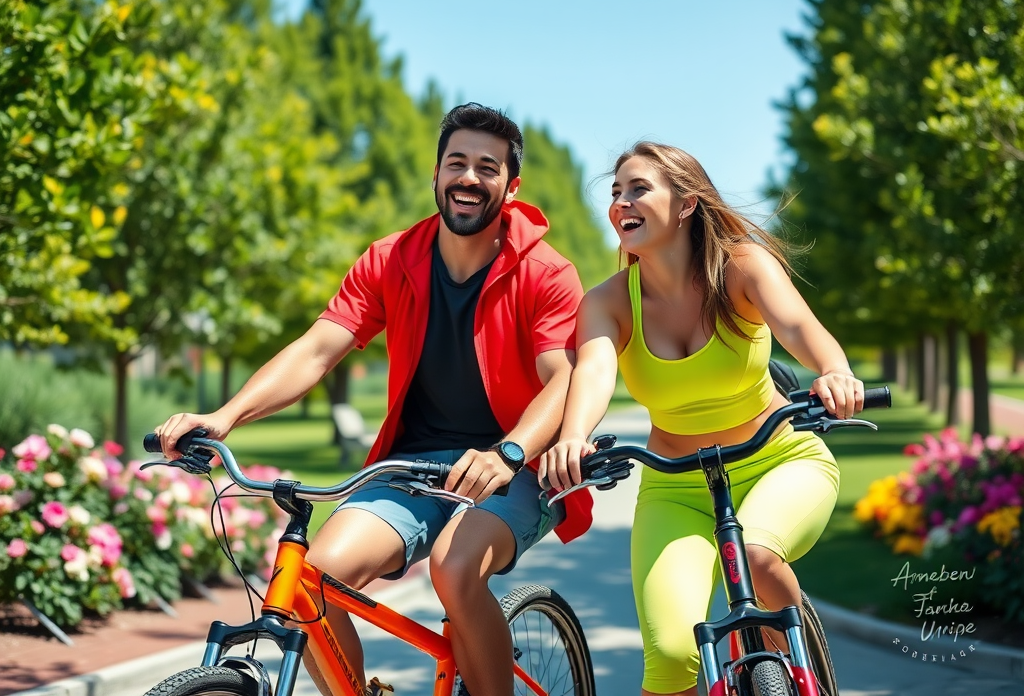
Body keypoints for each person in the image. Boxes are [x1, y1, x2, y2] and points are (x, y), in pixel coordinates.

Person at [153, 103, 593, 696]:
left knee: (455, 570)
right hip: (412, 467)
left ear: (511, 187)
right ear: (435, 176)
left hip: (516, 468)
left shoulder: (545, 272)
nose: (469, 177)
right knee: (316, 580)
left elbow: (560, 378)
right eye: (456, 162)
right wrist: (225, 416)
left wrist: (507, 453)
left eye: (487, 168)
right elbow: (316, 351)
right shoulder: (391, 259)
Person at [537, 142, 862, 696]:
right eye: (616, 193)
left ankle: (803, 669)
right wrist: (572, 436)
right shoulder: (609, 302)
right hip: (676, 487)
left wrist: (834, 370)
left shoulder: (742, 266)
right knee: (669, 657)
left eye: (638, 188)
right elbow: (593, 373)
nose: (621, 203)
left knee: (757, 552)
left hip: (780, 460)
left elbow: (798, 327)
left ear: (686, 203)